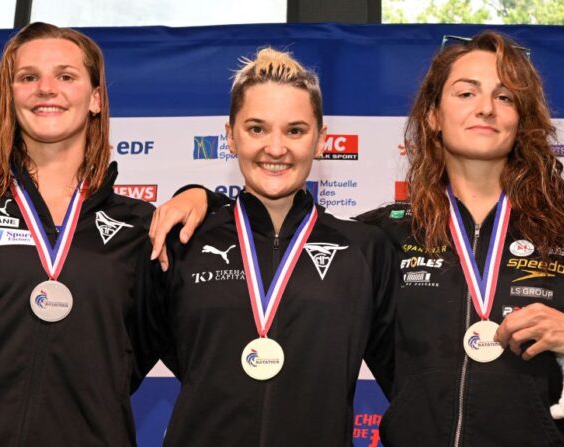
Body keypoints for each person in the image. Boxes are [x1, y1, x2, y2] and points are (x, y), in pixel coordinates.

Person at [146, 31, 564, 446]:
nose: (485, 106)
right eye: (466, 91)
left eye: (505, 96)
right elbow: (277, 234)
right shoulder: (382, 234)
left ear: (522, 117)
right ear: (432, 115)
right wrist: (208, 198)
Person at [0, 22, 155, 446]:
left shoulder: (140, 225)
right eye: (28, 77)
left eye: (66, 75)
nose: (46, 88)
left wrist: (200, 196)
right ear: (10, 95)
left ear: (95, 98)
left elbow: (133, 358)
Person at [132, 47, 397, 446]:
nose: (276, 148)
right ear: (230, 136)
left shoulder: (364, 249)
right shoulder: (184, 240)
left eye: (295, 130)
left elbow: (415, 384)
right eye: (256, 129)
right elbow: (114, 372)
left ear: (321, 139)